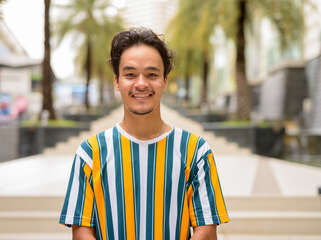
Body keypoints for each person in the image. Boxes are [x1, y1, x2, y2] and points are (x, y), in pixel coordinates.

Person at [59, 27, 229, 240]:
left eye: (151, 74)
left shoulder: (195, 151)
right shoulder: (89, 154)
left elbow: (206, 230)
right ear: (117, 81)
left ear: (165, 80)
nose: (141, 83)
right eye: (130, 74)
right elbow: (82, 231)